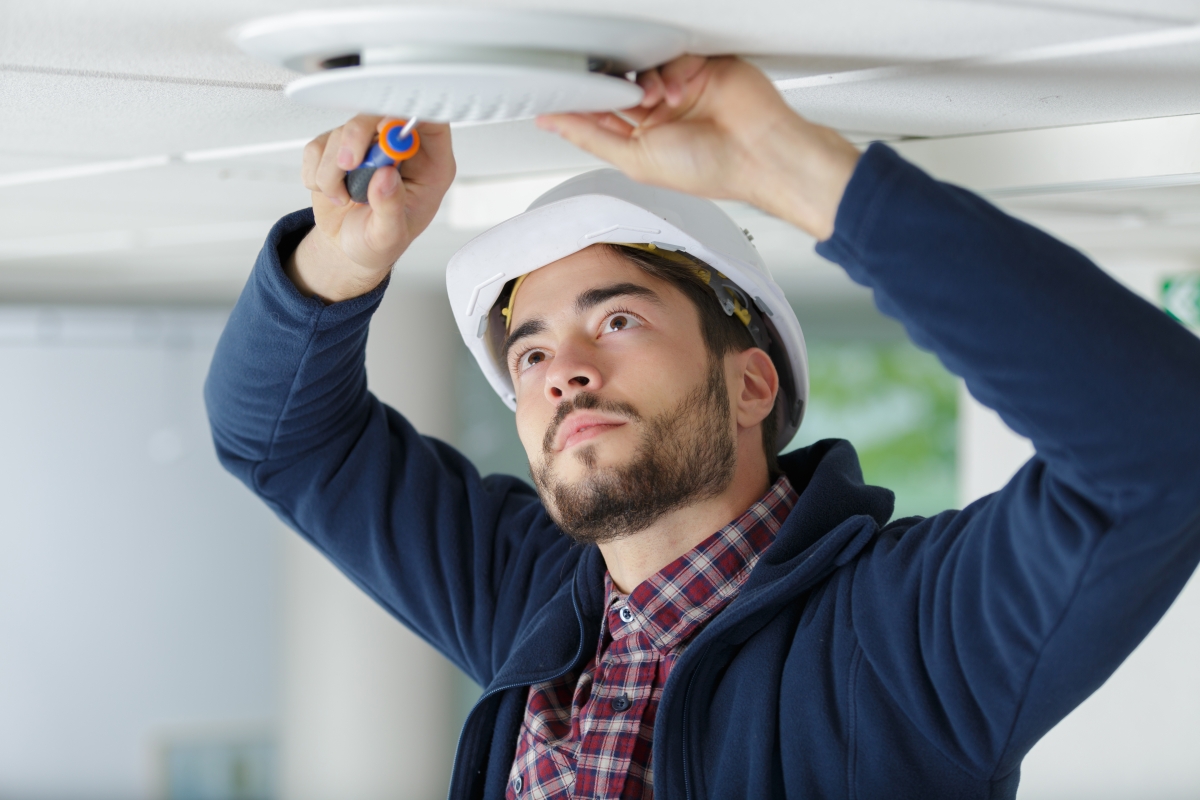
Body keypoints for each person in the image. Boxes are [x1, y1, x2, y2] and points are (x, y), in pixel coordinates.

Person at [204, 55, 1200, 799]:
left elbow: (1160, 448)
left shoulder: (897, 642)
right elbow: (284, 439)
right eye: (532, 353)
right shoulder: (532, 598)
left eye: (618, 318)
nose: (564, 373)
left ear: (753, 381)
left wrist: (798, 173)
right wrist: (341, 261)